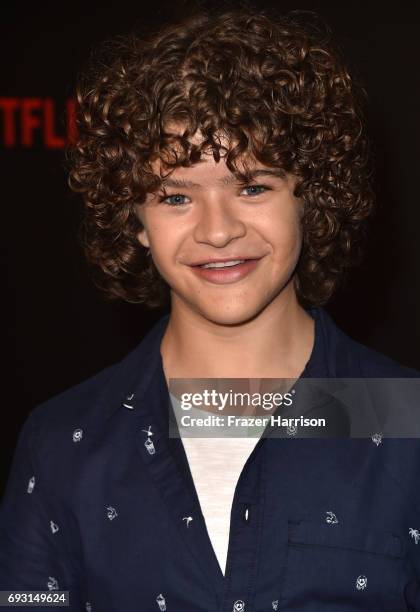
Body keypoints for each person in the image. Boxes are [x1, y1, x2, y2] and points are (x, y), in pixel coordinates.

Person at [1, 6, 419, 611]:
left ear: (311, 196)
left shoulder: (406, 423)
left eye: (251, 186)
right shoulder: (64, 442)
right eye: (175, 196)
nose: (217, 231)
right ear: (135, 219)